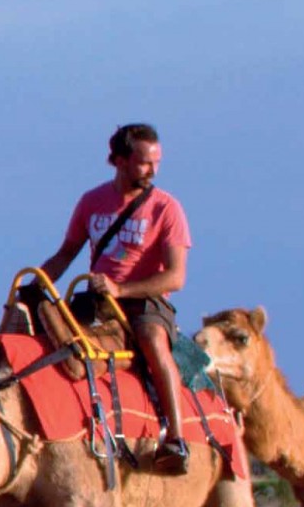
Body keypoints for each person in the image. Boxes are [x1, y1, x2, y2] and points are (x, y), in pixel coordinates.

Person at [40, 122, 193, 472]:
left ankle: (176, 439)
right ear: (119, 161)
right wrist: (35, 285)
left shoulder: (166, 208)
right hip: (95, 299)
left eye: (157, 162)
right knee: (45, 331)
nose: (153, 170)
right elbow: (66, 254)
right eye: (144, 162)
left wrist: (121, 289)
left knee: (153, 340)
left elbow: (176, 276)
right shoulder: (92, 202)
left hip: (145, 301)